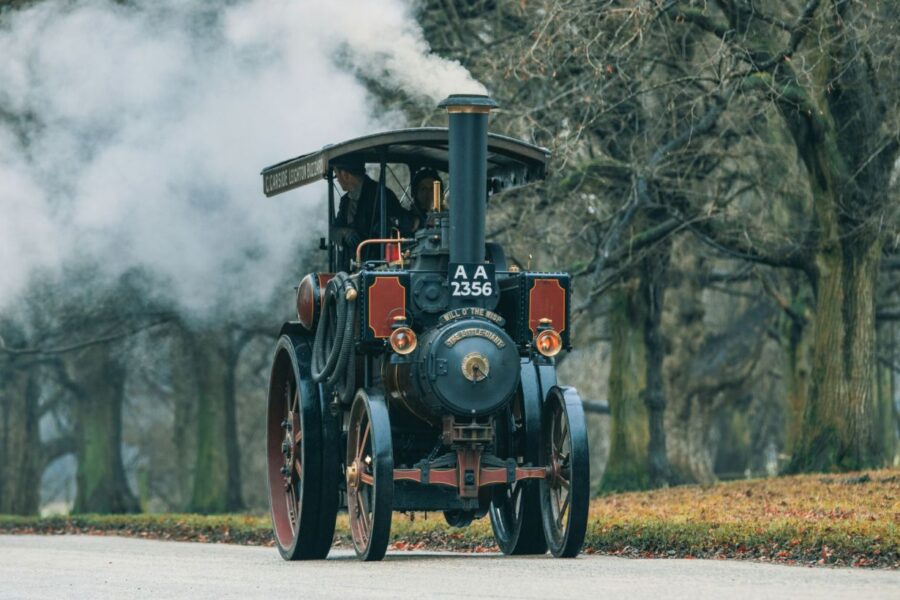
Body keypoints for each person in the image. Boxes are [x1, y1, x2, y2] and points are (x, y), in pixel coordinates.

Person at [331, 156, 410, 262]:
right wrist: (345, 232)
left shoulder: (382, 195)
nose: (337, 180)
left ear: (345, 175)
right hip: (352, 264)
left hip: (379, 264)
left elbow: (401, 224)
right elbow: (333, 230)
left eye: (336, 176)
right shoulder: (345, 201)